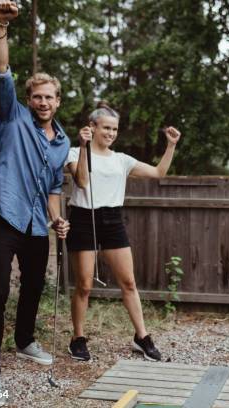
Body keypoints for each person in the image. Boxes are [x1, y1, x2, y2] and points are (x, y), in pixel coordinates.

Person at [0, 1, 71, 406]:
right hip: (3, 216)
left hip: (36, 225)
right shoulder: (10, 115)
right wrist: (0, 25)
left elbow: (54, 186)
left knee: (35, 285)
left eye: (49, 97)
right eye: (36, 96)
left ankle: (24, 341)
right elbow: (0, 71)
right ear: (28, 98)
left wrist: (57, 219)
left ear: (57, 101)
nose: (42, 102)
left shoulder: (63, 142)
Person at [65, 102, 180, 362]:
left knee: (128, 282)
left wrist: (170, 145)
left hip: (113, 220)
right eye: (106, 127)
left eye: (114, 129)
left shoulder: (122, 160)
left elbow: (158, 172)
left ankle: (142, 337)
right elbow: (82, 181)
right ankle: (78, 338)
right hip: (84, 219)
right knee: (84, 285)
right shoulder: (74, 152)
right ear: (92, 127)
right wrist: (83, 148)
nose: (110, 133)